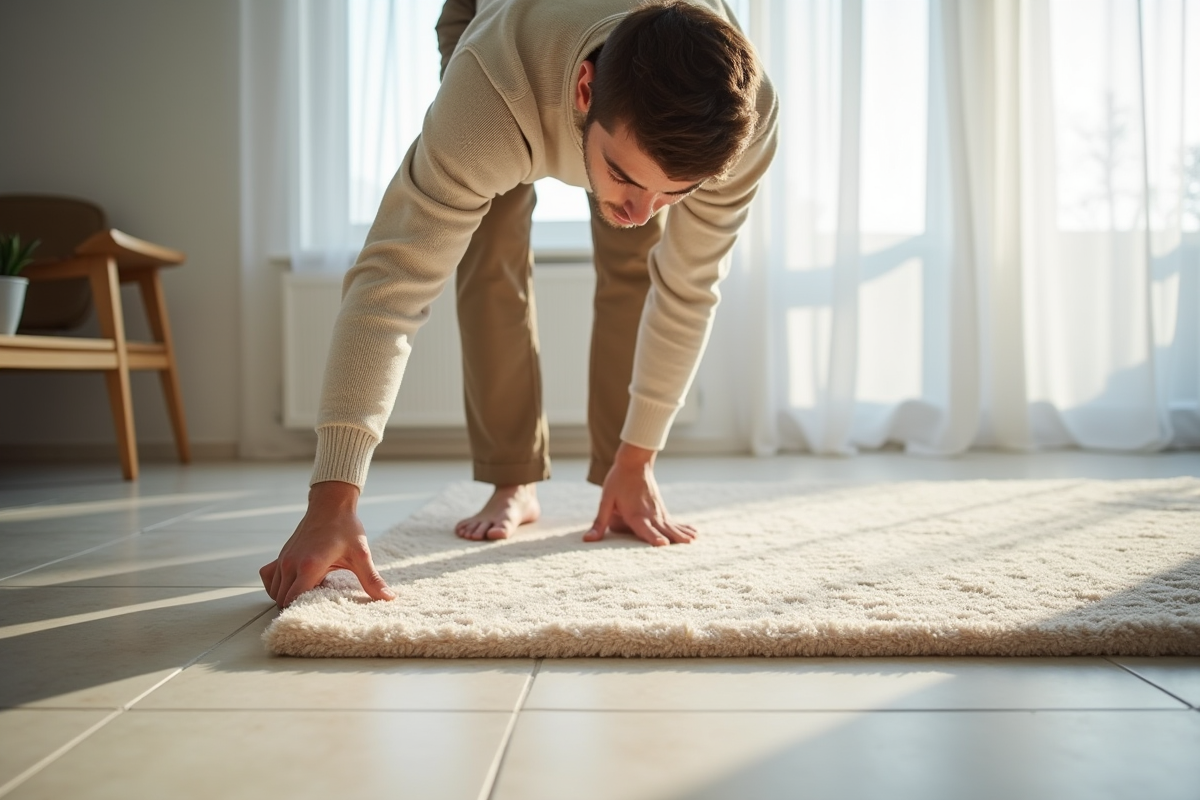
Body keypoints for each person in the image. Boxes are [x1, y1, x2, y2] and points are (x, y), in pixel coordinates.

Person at [260, 0, 778, 608]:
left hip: (598, 62)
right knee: (486, 245)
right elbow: (394, 280)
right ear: (585, 90)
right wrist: (332, 499)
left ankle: (625, 472)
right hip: (505, 36)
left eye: (672, 194)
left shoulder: (748, 122)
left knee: (637, 256)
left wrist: (638, 454)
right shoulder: (489, 91)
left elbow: (689, 286)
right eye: (625, 176)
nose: (641, 211)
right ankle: (512, 478)